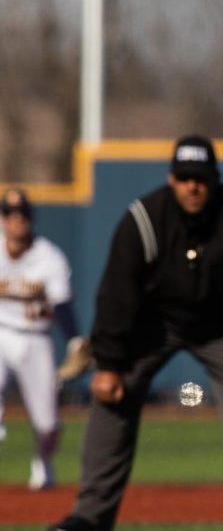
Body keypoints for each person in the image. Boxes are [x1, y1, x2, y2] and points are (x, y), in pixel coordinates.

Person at [51, 136, 223, 531]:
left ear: (215, 179)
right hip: (154, 323)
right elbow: (116, 293)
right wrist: (108, 363)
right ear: (171, 179)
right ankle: (89, 516)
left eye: (201, 178)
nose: (193, 186)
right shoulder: (144, 217)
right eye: (184, 177)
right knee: (113, 392)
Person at [0, 187, 81, 490]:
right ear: (3, 219)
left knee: (48, 425)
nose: (17, 219)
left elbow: (62, 305)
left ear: (31, 218)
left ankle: (43, 462)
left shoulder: (48, 256)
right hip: (1, 332)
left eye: (22, 213)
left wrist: (74, 340)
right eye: (9, 213)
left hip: (36, 339)